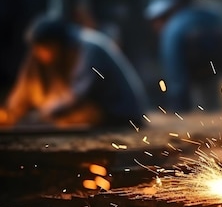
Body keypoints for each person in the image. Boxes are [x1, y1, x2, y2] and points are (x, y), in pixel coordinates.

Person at [0, 14, 148, 128]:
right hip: (72, 108)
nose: (41, 54)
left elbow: (78, 93)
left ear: (58, 43)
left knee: (85, 115)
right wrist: (11, 112)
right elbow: (25, 87)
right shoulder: (39, 54)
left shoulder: (90, 48)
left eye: (46, 48)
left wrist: (42, 114)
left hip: (118, 113)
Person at [144, 0, 222, 112]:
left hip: (203, 82)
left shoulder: (173, 30)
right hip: (219, 80)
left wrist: (178, 110)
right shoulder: (215, 15)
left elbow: (177, 81)